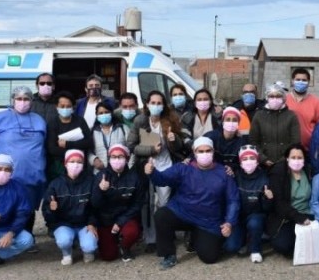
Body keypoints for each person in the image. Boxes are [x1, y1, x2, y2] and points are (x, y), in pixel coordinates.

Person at [146, 137, 240, 270]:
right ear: (194, 152)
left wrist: (229, 222)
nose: (204, 154)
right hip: (183, 212)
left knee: (210, 257)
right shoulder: (183, 168)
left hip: (208, 221)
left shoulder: (224, 173)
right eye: (200, 151)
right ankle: (168, 255)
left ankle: (195, 237)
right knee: (161, 215)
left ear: (213, 152)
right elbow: (162, 179)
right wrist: (152, 172)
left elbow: (233, 200)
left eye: (208, 151)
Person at [0, 86, 47, 235]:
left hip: (31, 174)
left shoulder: (38, 120)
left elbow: (44, 142)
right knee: (3, 206)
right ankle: (0, 237)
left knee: (27, 208)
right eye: (19, 99)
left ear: (31, 101)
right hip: (7, 175)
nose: (23, 102)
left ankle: (27, 237)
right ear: (13, 100)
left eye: (26, 99)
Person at [126, 90, 188, 251]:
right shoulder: (140, 120)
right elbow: (131, 146)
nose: (156, 106)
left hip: (166, 167)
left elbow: (179, 147)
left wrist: (174, 140)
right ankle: (151, 239)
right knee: (147, 203)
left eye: (159, 103)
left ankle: (165, 235)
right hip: (146, 166)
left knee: (163, 203)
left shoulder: (169, 120)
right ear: (147, 104)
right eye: (152, 103)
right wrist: (151, 149)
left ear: (164, 105)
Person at [42, 150, 98, 265]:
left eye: (79, 162)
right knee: (64, 241)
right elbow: (47, 214)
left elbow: (96, 206)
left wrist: (92, 223)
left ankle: (87, 251)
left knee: (90, 245)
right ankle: (66, 252)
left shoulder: (90, 181)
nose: (75, 165)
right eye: (72, 161)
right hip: (64, 224)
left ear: (83, 164)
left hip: (84, 224)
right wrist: (52, 210)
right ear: (66, 163)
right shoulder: (55, 184)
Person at [91, 144, 146, 262]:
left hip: (126, 217)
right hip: (106, 220)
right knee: (108, 256)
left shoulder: (135, 178)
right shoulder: (101, 176)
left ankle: (125, 247)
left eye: (120, 157)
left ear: (126, 158)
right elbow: (94, 204)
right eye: (113, 157)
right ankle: (114, 240)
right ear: (109, 158)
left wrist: (120, 222)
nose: (116, 160)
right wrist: (100, 190)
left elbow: (138, 203)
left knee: (131, 232)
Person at [223, 144, 273, 263]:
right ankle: (246, 237)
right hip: (238, 217)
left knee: (255, 223)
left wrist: (268, 198)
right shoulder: (234, 174)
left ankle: (255, 249)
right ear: (240, 161)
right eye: (245, 159)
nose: (248, 161)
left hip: (256, 215)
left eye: (252, 158)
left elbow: (267, 209)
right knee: (231, 247)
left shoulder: (264, 178)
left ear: (257, 160)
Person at [266, 144, 314, 257]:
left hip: (308, 213)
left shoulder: (308, 170)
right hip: (286, 216)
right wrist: (298, 217)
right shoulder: (278, 172)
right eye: (293, 157)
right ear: (287, 158)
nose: (296, 161)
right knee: (282, 245)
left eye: (299, 157)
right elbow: (279, 203)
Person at [249, 82, 301, 169]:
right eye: (271, 96)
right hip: (263, 164)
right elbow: (253, 141)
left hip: (285, 164)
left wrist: (284, 159)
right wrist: (263, 159)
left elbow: (295, 141)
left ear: (283, 98)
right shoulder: (259, 116)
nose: (275, 99)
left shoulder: (291, 116)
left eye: (278, 96)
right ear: (267, 98)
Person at [46, 91, 94, 182]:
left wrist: (68, 144)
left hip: (79, 163)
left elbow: (89, 142)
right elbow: (52, 148)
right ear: (56, 107)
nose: (65, 108)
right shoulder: (52, 123)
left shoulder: (80, 121)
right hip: (59, 166)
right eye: (62, 106)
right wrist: (75, 151)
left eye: (68, 106)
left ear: (73, 107)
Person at [285, 68, 319, 151]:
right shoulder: (284, 100)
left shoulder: (316, 102)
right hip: (287, 150)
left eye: (304, 80)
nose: (301, 82)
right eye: (298, 79)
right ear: (292, 81)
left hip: (309, 150)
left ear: (308, 82)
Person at [89, 102, 131, 175]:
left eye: (106, 112)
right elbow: (88, 150)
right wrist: (93, 160)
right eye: (101, 113)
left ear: (111, 113)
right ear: (97, 115)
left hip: (122, 172)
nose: (104, 115)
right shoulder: (92, 131)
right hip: (100, 172)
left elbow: (131, 149)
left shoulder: (123, 128)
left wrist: (129, 166)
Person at [203, 106, 246, 172]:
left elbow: (240, 162)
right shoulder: (210, 137)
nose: (231, 123)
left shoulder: (242, 142)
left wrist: (232, 167)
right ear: (223, 122)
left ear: (238, 123)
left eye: (234, 120)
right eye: (228, 119)